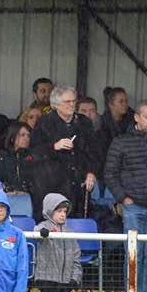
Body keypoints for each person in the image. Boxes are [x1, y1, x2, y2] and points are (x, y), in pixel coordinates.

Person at [104, 100, 147, 292]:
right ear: (136, 117)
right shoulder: (121, 142)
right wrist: (123, 198)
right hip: (133, 206)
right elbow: (109, 173)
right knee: (134, 254)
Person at [32, 84, 99, 216]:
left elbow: (94, 152)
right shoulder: (45, 123)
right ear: (55, 104)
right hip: (52, 184)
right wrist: (54, 146)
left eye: (74, 101)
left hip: (79, 184)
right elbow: (34, 152)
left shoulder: (84, 122)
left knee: (78, 220)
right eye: (67, 102)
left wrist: (92, 172)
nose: (72, 105)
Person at [34, 193, 81, 292]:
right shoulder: (43, 227)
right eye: (59, 211)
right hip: (47, 279)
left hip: (65, 281)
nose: (62, 215)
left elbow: (76, 258)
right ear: (49, 211)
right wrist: (43, 233)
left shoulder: (70, 233)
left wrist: (75, 278)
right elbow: (37, 232)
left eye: (64, 212)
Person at [0, 121, 44, 209]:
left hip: (28, 201)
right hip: (3, 201)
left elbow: (38, 182)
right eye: (22, 135)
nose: (26, 138)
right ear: (12, 137)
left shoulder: (33, 157)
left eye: (28, 136)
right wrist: (8, 190)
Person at [96, 86, 134, 182]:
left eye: (126, 101)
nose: (125, 104)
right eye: (121, 101)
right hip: (106, 171)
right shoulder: (101, 124)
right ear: (111, 104)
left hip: (128, 170)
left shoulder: (134, 121)